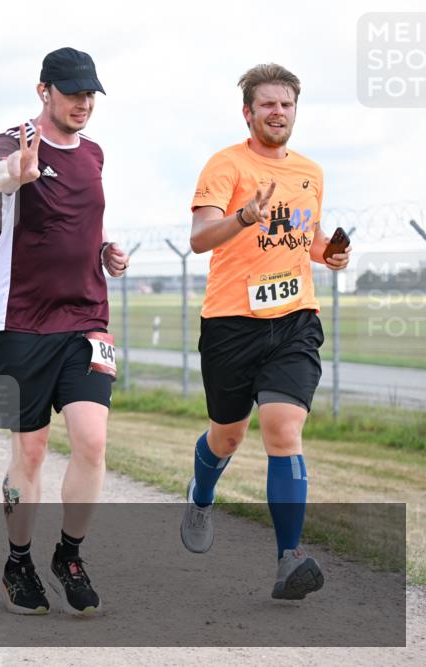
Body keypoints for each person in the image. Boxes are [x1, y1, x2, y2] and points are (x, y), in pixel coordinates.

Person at [180, 63, 350, 601]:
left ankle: (289, 560)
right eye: (268, 104)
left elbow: (309, 238)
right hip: (231, 324)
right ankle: (202, 494)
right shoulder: (226, 165)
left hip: (295, 320)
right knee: (228, 435)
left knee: (283, 431)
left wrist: (332, 253)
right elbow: (201, 238)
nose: (279, 112)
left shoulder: (310, 172)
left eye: (287, 104)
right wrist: (244, 218)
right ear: (248, 111)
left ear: (296, 110)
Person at [0, 47, 129, 616]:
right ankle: (17, 559)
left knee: (92, 440)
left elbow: (79, 224)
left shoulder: (94, 153)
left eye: (90, 92)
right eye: (72, 92)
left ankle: (68, 554)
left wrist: (104, 252)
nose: (83, 102)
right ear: (44, 90)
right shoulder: (13, 141)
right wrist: (15, 173)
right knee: (32, 449)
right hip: (19, 320)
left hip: (87, 317)